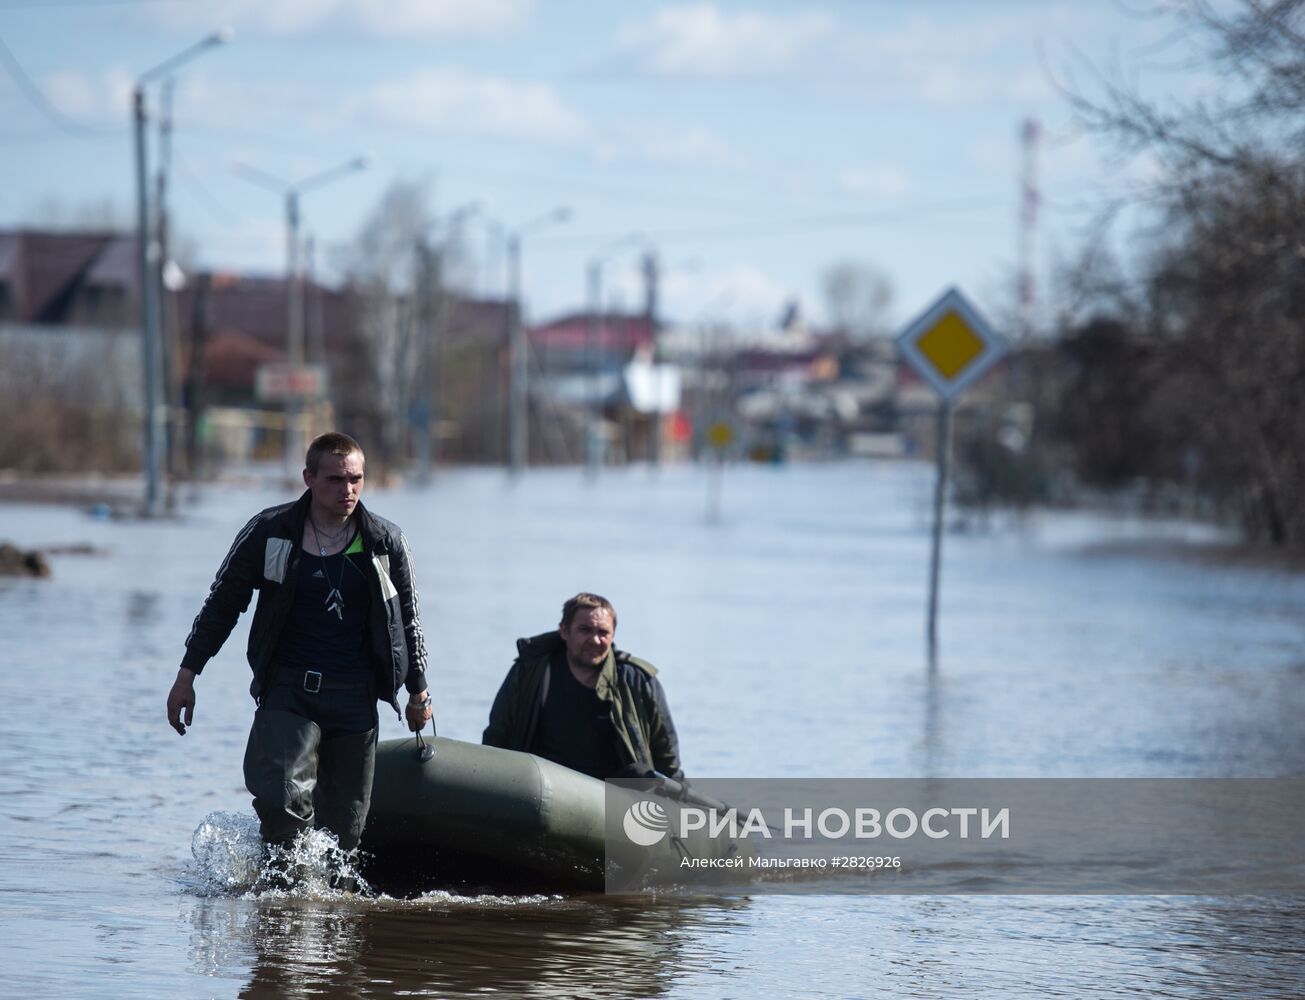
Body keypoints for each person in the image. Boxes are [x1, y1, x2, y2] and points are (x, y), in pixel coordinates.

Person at [165, 432, 432, 866]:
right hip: (288, 690)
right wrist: (187, 674)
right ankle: (278, 909)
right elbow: (223, 603)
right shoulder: (272, 532)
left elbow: (410, 621)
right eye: (335, 480)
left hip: (356, 698)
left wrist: (419, 691)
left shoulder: (385, 542)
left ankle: (325, 920)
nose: (347, 490)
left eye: (356, 480)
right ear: (308, 477)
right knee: (282, 806)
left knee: (344, 836)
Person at [483, 592, 683, 781]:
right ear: (564, 631)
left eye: (603, 632)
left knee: (640, 773)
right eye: (585, 630)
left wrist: (680, 799)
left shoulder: (638, 682)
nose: (595, 640)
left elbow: (666, 756)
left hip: (611, 798)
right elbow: (497, 737)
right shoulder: (531, 673)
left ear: (613, 636)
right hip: (543, 790)